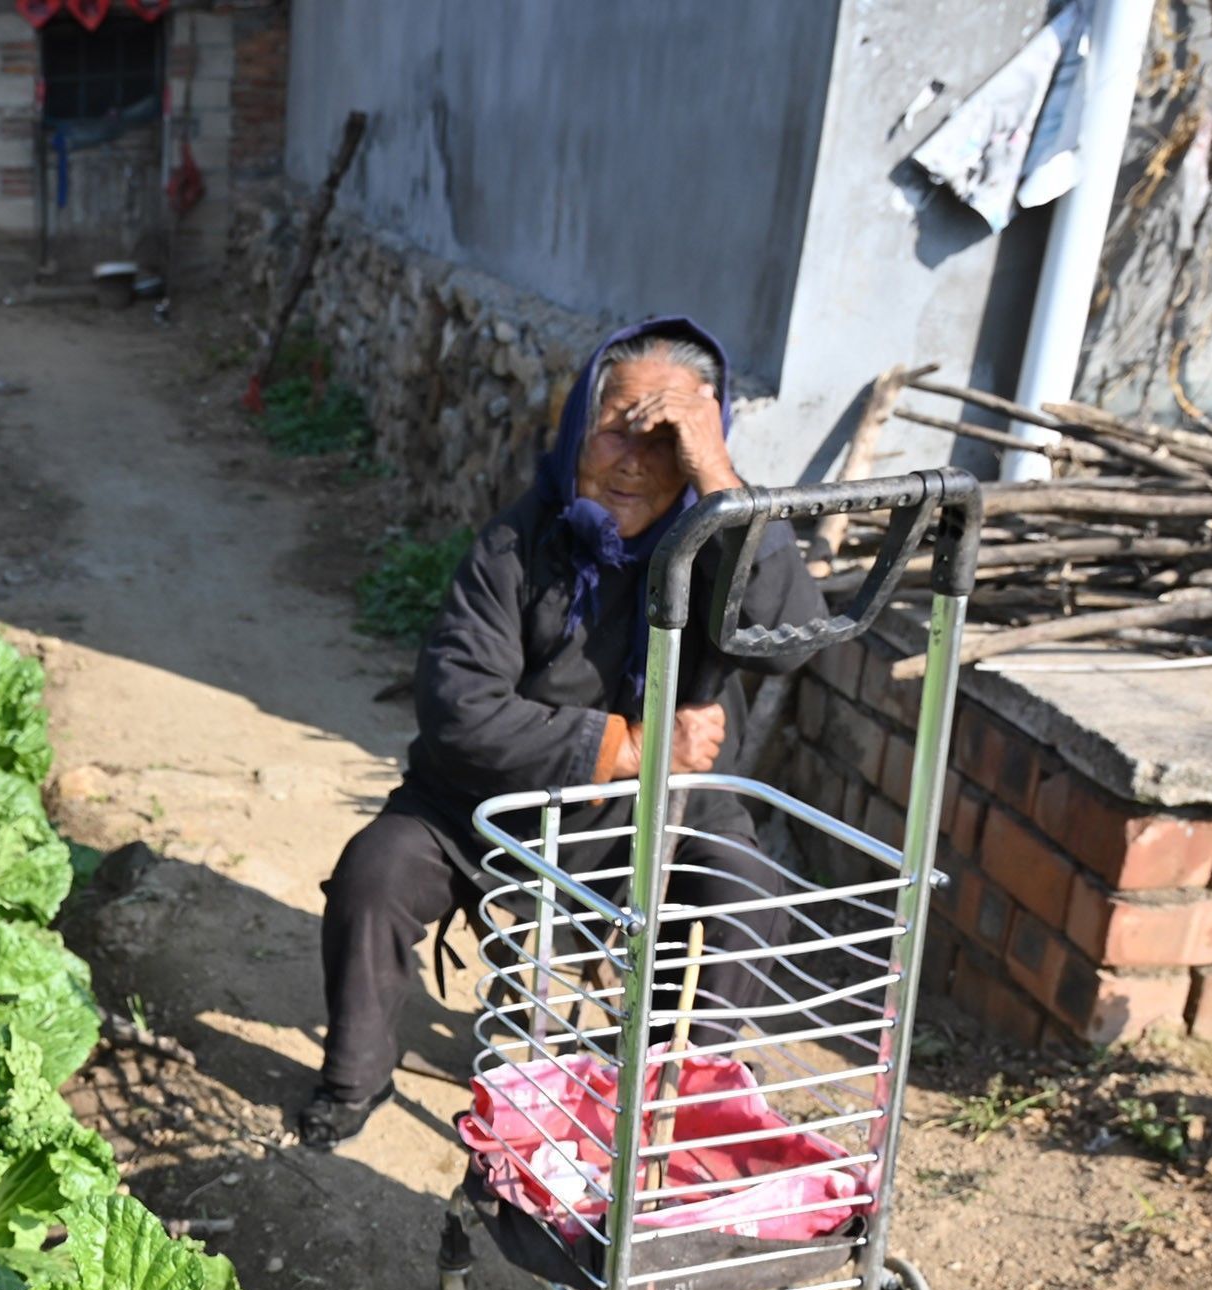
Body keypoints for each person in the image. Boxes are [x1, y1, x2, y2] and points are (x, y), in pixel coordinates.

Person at [301, 315, 829, 1150]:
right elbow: (459, 707)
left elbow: (792, 641)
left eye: (667, 442)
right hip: (489, 805)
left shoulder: (711, 547)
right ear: (577, 426)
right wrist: (630, 746)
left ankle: (665, 1103)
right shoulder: (516, 543)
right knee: (377, 871)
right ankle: (353, 1076)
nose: (633, 461)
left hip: (657, 812)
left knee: (744, 889)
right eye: (616, 430)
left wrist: (721, 480)